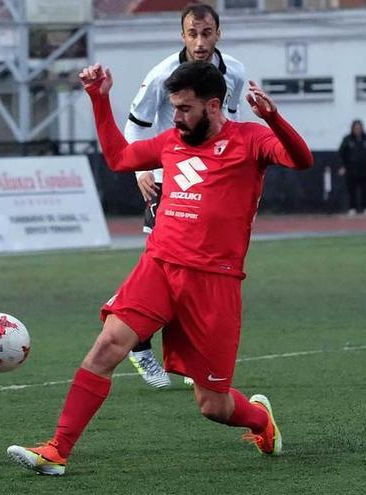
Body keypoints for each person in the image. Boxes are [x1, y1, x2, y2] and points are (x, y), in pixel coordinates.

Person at [6, 61, 313, 476]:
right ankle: (56, 450)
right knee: (107, 346)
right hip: (159, 266)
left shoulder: (251, 139)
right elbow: (118, 159)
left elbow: (302, 160)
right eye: (174, 108)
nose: (178, 118)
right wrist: (99, 98)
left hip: (213, 283)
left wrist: (274, 119)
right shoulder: (171, 141)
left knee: (212, 405)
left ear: (214, 104)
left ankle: (260, 419)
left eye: (186, 108)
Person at [124, 4, 246, 389]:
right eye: (192, 33)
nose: (199, 41)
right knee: (167, 268)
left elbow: (229, 125)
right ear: (182, 35)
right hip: (168, 180)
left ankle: (188, 358)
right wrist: (141, 170)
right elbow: (135, 124)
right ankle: (138, 344)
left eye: (206, 33)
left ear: (218, 34)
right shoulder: (162, 75)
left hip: (211, 186)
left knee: (192, 273)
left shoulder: (235, 74)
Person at [338, 119, 366, 216]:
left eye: (359, 128)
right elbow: (341, 153)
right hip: (351, 169)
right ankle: (352, 208)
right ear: (352, 129)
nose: (358, 130)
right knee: (352, 190)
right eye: (356, 128)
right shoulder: (347, 139)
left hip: (365, 170)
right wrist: (343, 166)